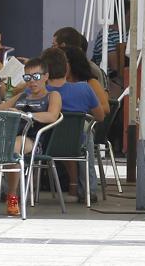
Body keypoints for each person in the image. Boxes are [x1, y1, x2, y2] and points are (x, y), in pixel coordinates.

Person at [0, 57, 62, 216]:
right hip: (11, 137)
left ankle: (12, 196)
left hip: (35, 141)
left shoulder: (53, 95)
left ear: (46, 76)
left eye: (36, 77)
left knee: (14, 146)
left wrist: (25, 115)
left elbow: (52, 116)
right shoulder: (21, 96)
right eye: (28, 78)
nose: (32, 81)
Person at [42, 46, 104, 199]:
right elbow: (101, 116)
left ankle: (11, 190)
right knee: (86, 131)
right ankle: (89, 189)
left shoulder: (38, 92)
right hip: (77, 144)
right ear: (67, 67)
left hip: (45, 145)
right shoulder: (84, 89)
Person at [53, 26, 109, 91]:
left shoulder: (92, 72)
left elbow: (101, 99)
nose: (52, 49)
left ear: (63, 46)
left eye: (54, 45)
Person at [64, 45, 110, 111]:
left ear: (74, 63)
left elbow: (106, 108)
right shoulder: (59, 83)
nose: (60, 66)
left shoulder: (91, 83)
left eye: (64, 62)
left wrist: (83, 110)